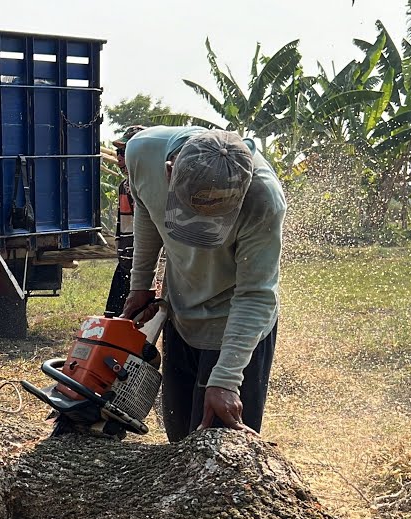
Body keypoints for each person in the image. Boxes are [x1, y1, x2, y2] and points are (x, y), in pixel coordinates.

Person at [119, 126, 284, 442]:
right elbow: (145, 207)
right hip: (182, 317)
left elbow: (255, 295)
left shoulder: (263, 198)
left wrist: (225, 379)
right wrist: (141, 285)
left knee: (219, 447)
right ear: (169, 172)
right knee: (180, 437)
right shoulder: (141, 152)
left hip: (234, 324)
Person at [104, 125, 146, 317]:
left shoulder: (151, 185)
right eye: (118, 152)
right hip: (127, 262)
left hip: (144, 266)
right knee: (116, 316)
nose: (119, 157)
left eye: (124, 152)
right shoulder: (125, 186)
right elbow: (124, 228)